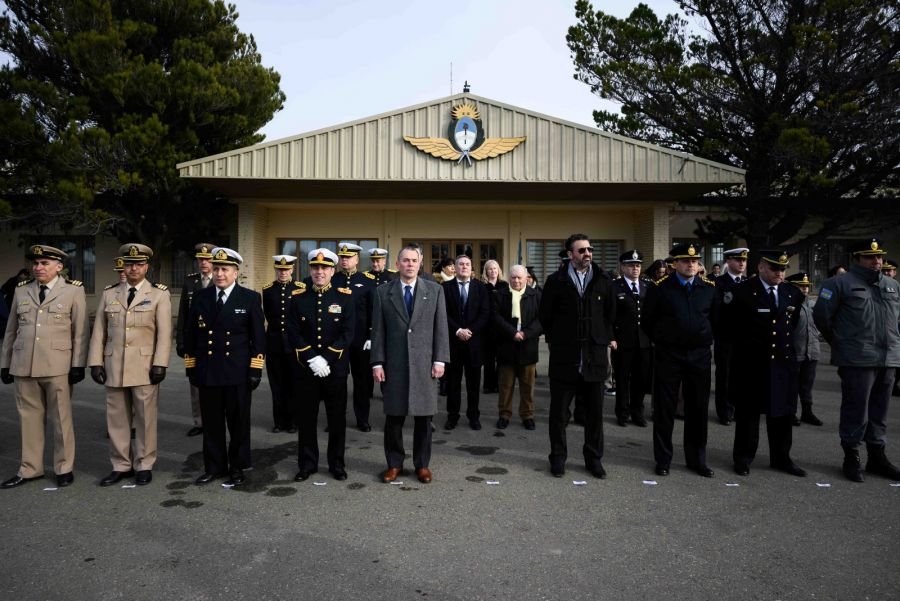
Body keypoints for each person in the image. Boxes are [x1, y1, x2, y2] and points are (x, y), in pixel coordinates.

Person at [0, 245, 89, 488]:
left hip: (57, 366)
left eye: (44, 263)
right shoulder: (21, 291)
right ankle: (30, 468)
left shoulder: (72, 291)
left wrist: (78, 364)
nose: (38, 268)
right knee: (28, 420)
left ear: (59, 267)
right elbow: (11, 330)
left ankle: (64, 467)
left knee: (61, 420)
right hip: (24, 365)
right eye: (36, 263)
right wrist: (5, 364)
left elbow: (80, 331)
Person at [813, 237, 900, 483]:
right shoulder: (839, 283)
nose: (876, 261)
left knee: (881, 410)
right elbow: (822, 317)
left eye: (879, 256)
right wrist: (841, 344)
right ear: (857, 259)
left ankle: (877, 456)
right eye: (870, 257)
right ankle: (851, 456)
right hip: (857, 358)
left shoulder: (891, 284)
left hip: (889, 357)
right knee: (856, 409)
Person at [88, 243, 172, 486]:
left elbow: (165, 333)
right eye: (129, 264)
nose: (133, 268)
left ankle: (144, 463)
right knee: (117, 419)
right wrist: (95, 362)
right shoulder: (110, 293)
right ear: (124, 266)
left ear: (146, 267)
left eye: (139, 264)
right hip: (114, 364)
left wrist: (160, 364)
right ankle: (121, 464)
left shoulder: (159, 294)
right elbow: (99, 332)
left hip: (144, 366)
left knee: (145, 419)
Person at [184, 247, 265, 487]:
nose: (219, 274)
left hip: (237, 372)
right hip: (208, 370)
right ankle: (214, 467)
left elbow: (258, 338)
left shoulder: (249, 298)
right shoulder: (200, 297)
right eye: (217, 268)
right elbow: (191, 336)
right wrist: (192, 367)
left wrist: (255, 369)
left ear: (236, 272)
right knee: (211, 424)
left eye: (225, 269)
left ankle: (238, 466)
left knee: (238, 423)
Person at [371, 244, 450, 484]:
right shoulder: (384, 292)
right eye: (405, 260)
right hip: (394, 365)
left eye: (414, 260)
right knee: (394, 417)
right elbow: (378, 331)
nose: (409, 264)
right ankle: (394, 464)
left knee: (424, 418)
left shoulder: (435, 291)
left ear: (420, 263)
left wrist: (440, 359)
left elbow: (441, 328)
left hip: (424, 364)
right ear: (397, 264)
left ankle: (422, 465)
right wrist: (377, 362)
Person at [723, 250, 807, 477]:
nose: (779, 273)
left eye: (782, 269)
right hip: (751, 364)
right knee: (748, 415)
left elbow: (792, 324)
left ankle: (781, 458)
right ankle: (743, 458)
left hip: (782, 364)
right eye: (774, 268)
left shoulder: (792, 293)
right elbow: (729, 328)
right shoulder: (742, 292)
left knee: (781, 413)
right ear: (761, 267)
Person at [539, 234, 616, 479]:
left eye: (589, 249)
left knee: (594, 416)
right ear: (570, 254)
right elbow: (546, 317)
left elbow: (610, 315)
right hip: (565, 358)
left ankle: (593, 459)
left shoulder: (603, 280)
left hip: (594, 359)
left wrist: (601, 337)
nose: (587, 253)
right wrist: (560, 340)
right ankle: (558, 458)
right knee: (559, 414)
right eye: (581, 250)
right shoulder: (556, 281)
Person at [643, 242, 719, 478]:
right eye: (686, 261)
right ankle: (663, 459)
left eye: (695, 261)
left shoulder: (708, 288)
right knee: (665, 410)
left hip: (699, 355)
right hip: (669, 355)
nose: (691, 265)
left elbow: (715, 319)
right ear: (674, 264)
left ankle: (696, 459)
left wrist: (703, 337)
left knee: (697, 409)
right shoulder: (660, 288)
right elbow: (648, 320)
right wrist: (664, 340)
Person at [288, 249, 355, 481]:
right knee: (307, 419)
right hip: (307, 370)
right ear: (310, 270)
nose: (319, 272)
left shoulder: (344, 297)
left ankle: (337, 464)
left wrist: (326, 358)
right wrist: (312, 359)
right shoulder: (298, 298)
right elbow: (293, 333)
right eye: (315, 268)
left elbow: (348, 333)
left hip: (334, 370)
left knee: (337, 419)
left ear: (332, 270)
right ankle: (307, 464)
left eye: (324, 268)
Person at [443, 254, 491, 430]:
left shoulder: (480, 288)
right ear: (454, 267)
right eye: (461, 264)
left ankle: (473, 416)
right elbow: (443, 313)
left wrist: (470, 331)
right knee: (453, 384)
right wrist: (457, 330)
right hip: (453, 343)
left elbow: (485, 313)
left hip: (474, 344)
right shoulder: (445, 288)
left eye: (467, 264)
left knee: (473, 384)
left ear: (472, 268)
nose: (464, 267)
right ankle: (452, 416)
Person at [332, 242, 376, 432]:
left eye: (348, 257)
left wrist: (371, 335)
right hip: (338, 340)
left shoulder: (367, 281)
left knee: (362, 382)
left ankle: (362, 419)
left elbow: (374, 310)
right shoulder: (332, 280)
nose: (344, 260)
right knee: (337, 381)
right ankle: (336, 418)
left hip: (360, 340)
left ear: (357, 259)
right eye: (342, 257)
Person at [493, 264, 542, 430]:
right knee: (505, 386)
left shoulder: (535, 295)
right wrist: (512, 332)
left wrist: (526, 333)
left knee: (528, 386)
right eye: (513, 277)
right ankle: (504, 415)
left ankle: (527, 415)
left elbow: (541, 320)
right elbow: (495, 317)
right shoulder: (500, 295)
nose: (516, 280)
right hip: (507, 346)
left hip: (528, 347)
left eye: (519, 277)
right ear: (509, 278)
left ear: (526, 278)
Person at [175, 242, 217, 437]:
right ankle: (199, 422)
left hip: (216, 341)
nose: (204, 263)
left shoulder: (220, 279)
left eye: (207, 259)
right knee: (195, 384)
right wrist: (180, 341)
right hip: (195, 342)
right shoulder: (191, 282)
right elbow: (183, 314)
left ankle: (215, 420)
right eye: (201, 259)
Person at [262, 254, 304, 434]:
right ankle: (279, 421)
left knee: (293, 384)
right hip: (274, 344)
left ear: (292, 270)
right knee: (277, 385)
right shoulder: (268, 290)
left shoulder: (300, 288)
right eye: (280, 269)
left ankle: (293, 421)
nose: (283, 273)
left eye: (286, 269)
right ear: (276, 270)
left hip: (293, 345)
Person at [611, 250, 651, 427]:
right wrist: (611, 337)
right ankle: (622, 413)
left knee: (640, 379)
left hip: (643, 342)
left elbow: (652, 315)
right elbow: (609, 315)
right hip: (622, 341)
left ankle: (637, 412)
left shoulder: (647, 286)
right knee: (622, 378)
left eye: (637, 265)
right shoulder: (614, 287)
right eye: (631, 265)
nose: (635, 268)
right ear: (622, 267)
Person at [713, 247, 750, 425]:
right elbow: (717, 312)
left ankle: (738, 408)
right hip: (726, 338)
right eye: (737, 260)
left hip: (744, 339)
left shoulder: (749, 283)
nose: (742, 263)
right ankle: (724, 411)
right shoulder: (719, 284)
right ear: (728, 261)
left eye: (744, 260)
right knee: (725, 376)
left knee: (742, 376)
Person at [785, 272, 823, 426]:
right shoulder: (789, 305)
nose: (805, 289)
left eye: (806, 286)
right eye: (801, 286)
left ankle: (807, 412)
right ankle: (790, 413)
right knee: (792, 385)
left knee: (807, 385)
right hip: (795, 350)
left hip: (812, 351)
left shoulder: (813, 304)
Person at [481, 259, 508, 394]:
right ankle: (488, 385)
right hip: (486, 328)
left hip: (501, 327)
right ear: (486, 271)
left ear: (499, 271)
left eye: (495, 269)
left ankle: (499, 384)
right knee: (488, 359)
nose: (493, 271)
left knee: (501, 358)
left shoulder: (505, 286)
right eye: (490, 269)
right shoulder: (481, 286)